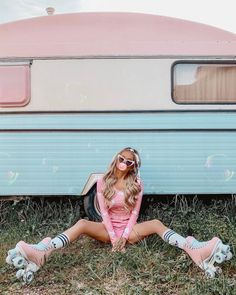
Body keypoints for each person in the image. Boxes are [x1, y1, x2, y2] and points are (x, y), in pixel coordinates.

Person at [7, 147, 232, 279]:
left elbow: (135, 213)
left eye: (129, 161)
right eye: (122, 159)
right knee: (83, 223)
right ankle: (42, 250)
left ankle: (194, 249)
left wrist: (124, 237)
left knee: (154, 222)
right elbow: (103, 213)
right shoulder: (103, 181)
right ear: (116, 159)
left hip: (128, 228)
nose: (124, 162)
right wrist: (114, 238)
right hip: (107, 228)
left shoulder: (137, 184)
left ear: (134, 166)